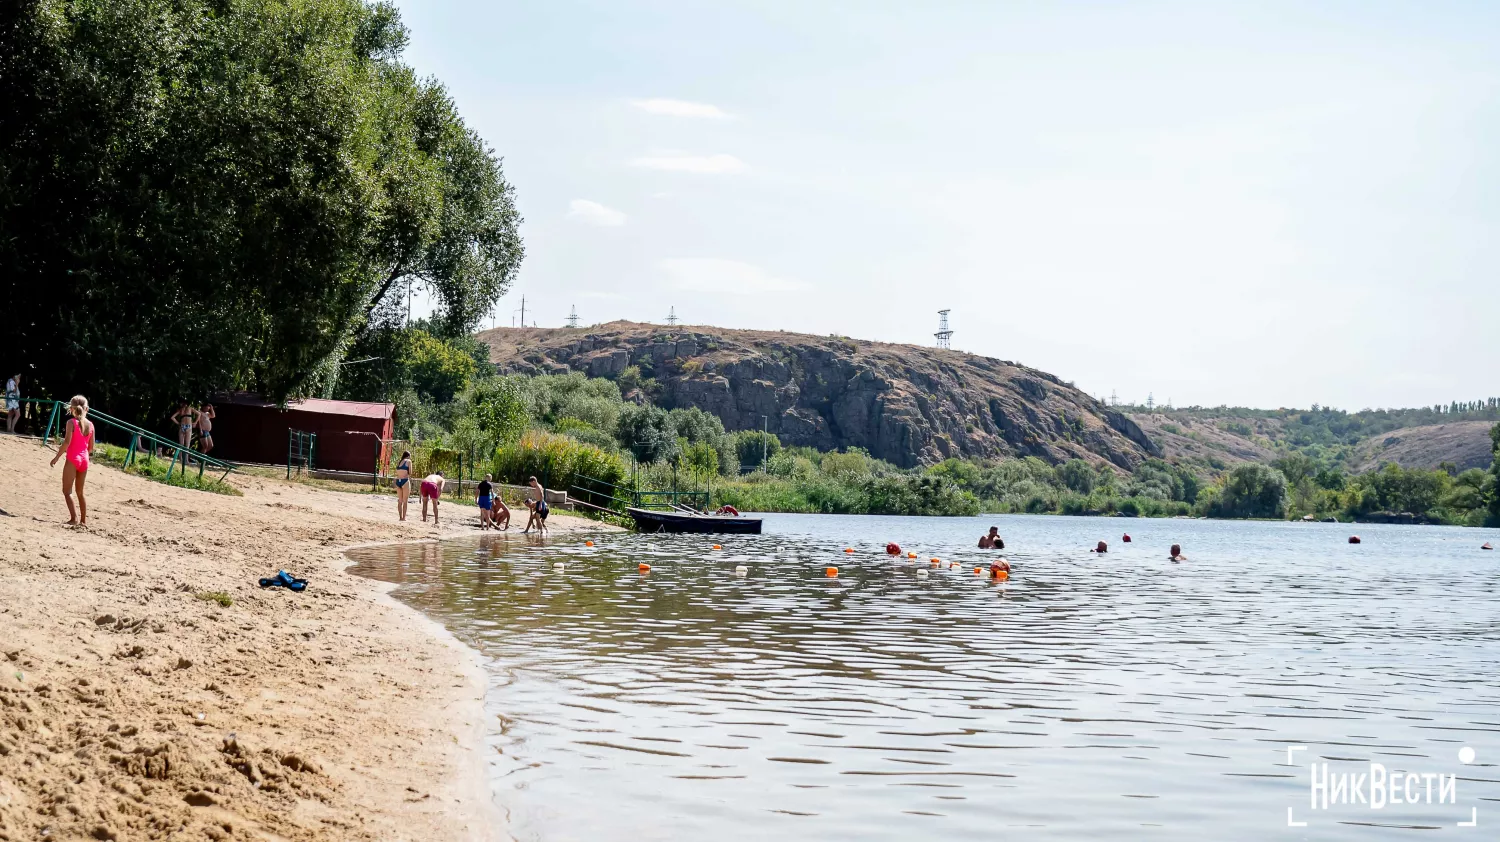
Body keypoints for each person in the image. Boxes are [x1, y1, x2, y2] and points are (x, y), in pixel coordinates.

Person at [49, 395, 95, 526]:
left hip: (73, 459)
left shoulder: (71, 423)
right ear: (87, 409)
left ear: (71, 408)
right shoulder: (91, 425)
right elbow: (91, 448)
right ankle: (83, 521)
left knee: (67, 491)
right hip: (84, 460)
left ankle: (74, 518)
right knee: (80, 492)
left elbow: (67, 443)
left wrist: (57, 457)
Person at [394, 451, 412, 521]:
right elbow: (410, 472)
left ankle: (400, 517)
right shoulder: (409, 461)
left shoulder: (399, 462)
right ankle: (404, 518)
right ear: (408, 456)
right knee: (405, 501)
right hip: (405, 480)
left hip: (398, 481)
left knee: (400, 500)